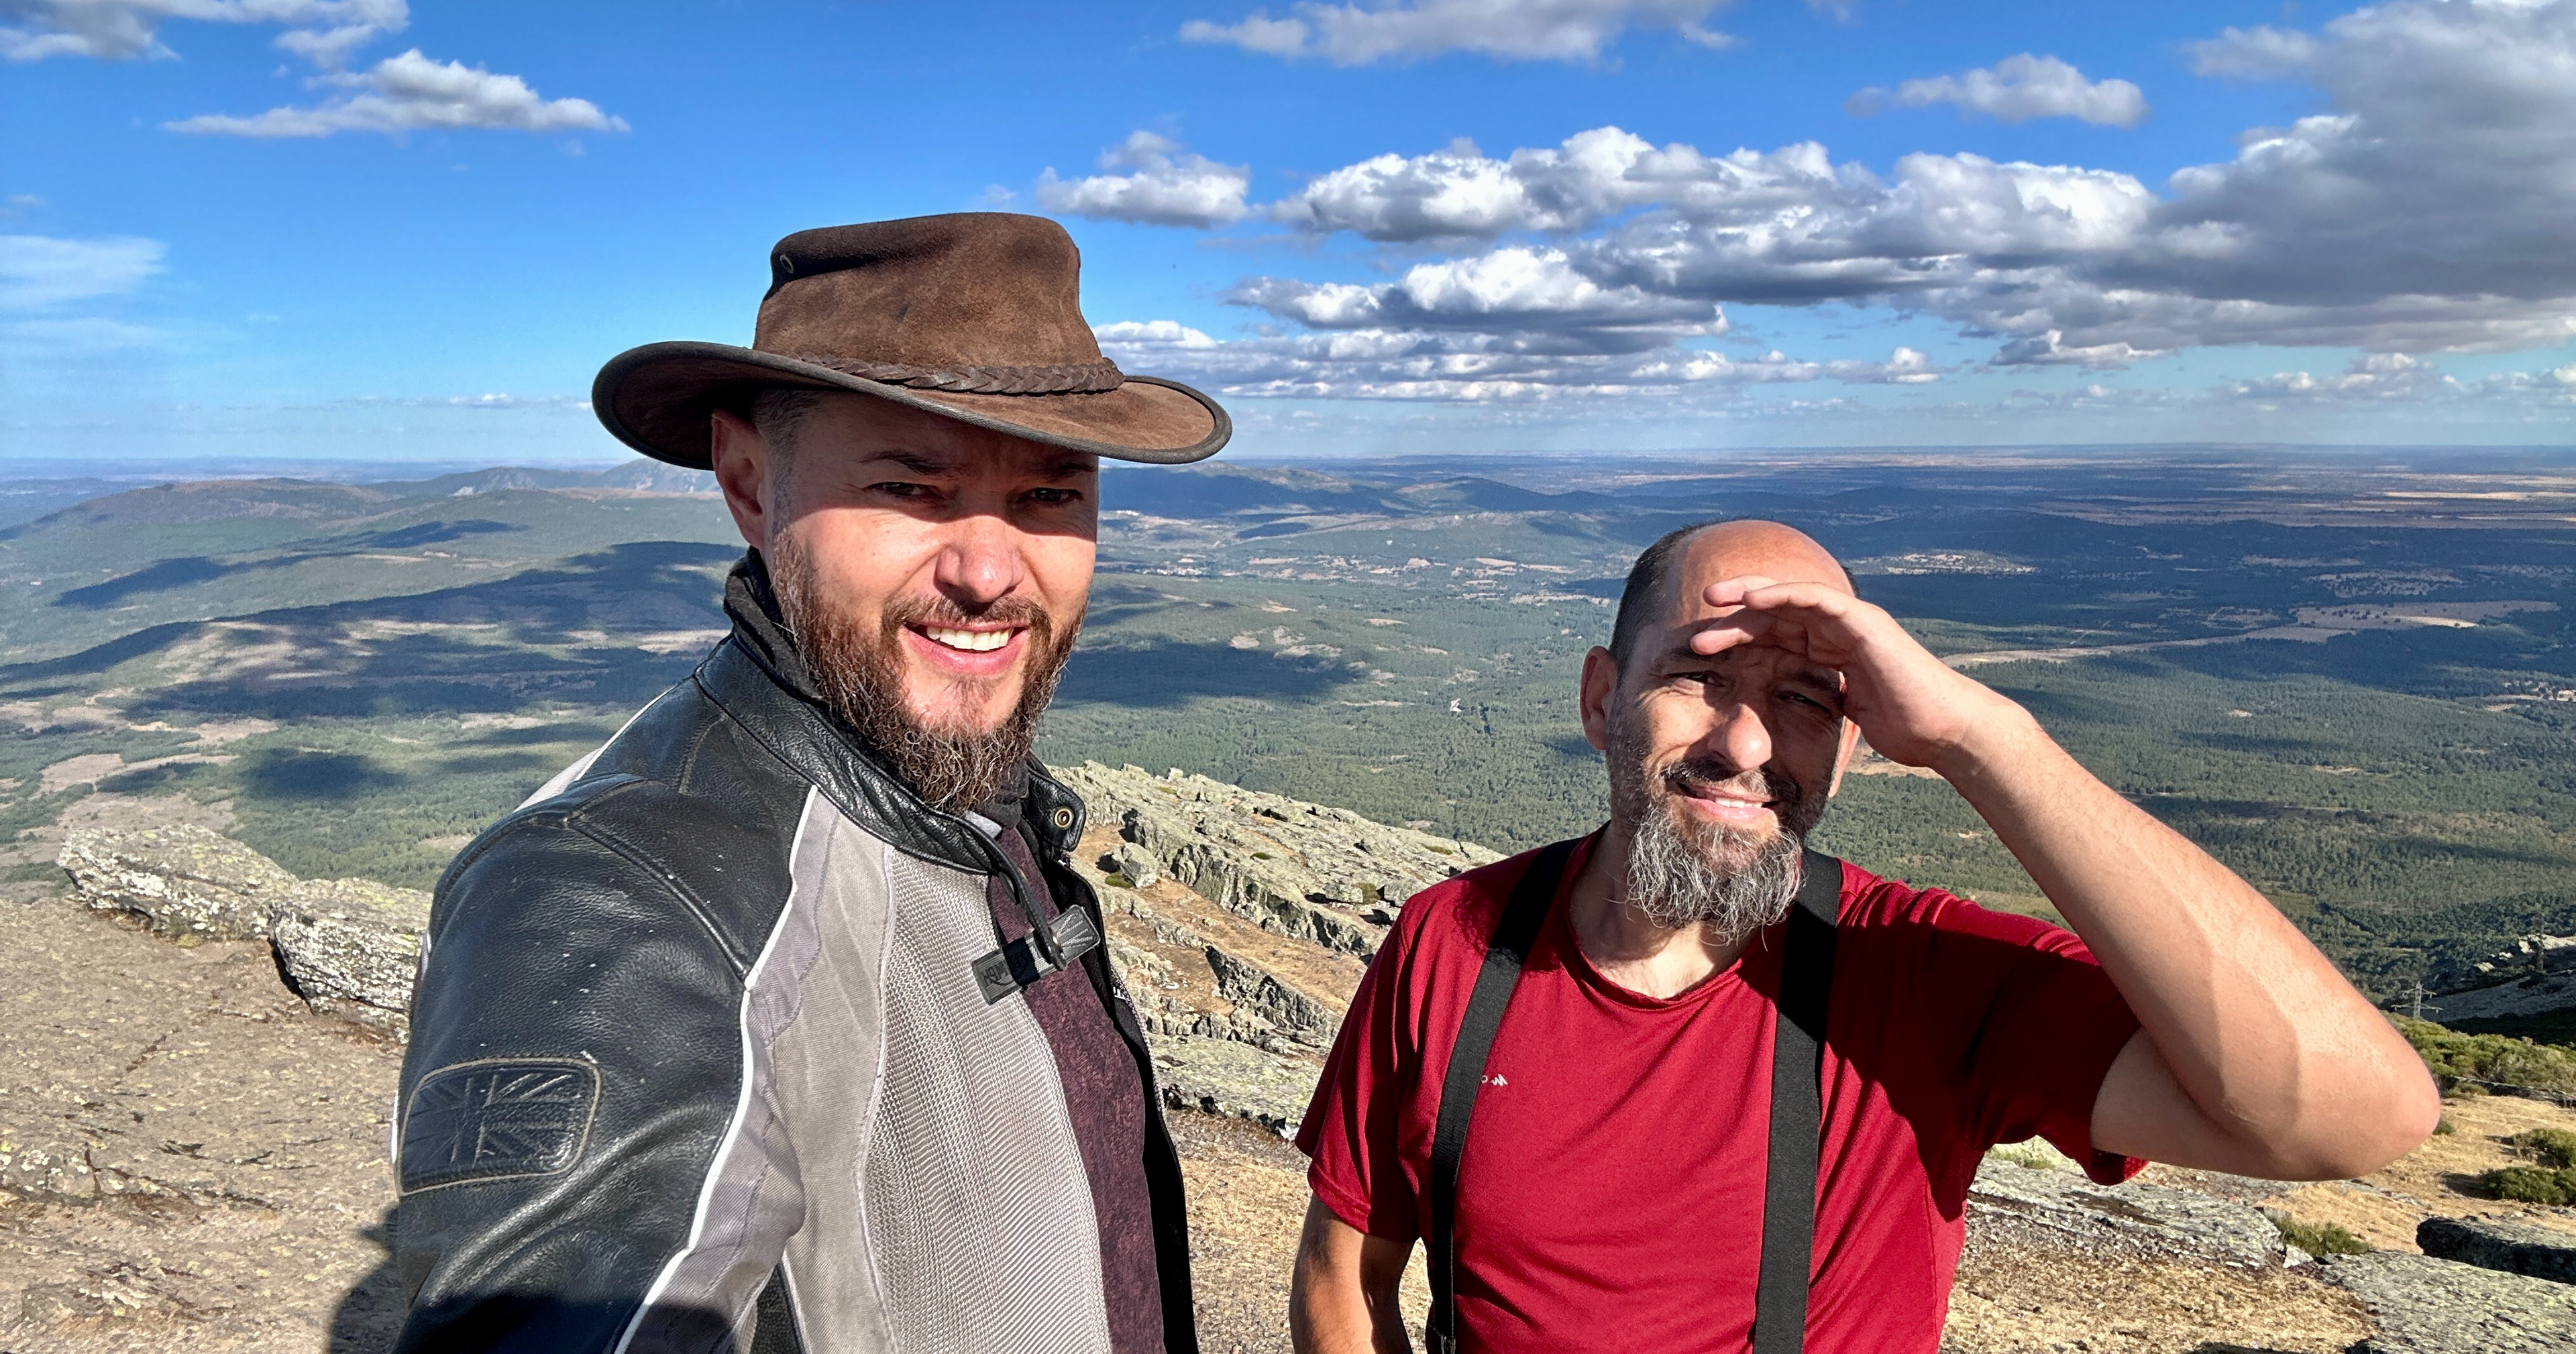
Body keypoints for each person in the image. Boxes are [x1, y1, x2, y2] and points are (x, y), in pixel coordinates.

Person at [1290, 519, 2440, 1354]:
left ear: (1849, 748)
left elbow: (2356, 1115)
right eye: (1698, 676)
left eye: (1808, 700)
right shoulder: (1457, 939)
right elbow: (1345, 1274)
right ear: (1603, 700)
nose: (1747, 745)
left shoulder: (1923, 977)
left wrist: (1980, 737)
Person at [389, 213, 1230, 1353]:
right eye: (910, 487)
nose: (990, 572)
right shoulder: (613, 896)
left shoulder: (964, 801)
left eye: (1049, 496)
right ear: (748, 484)